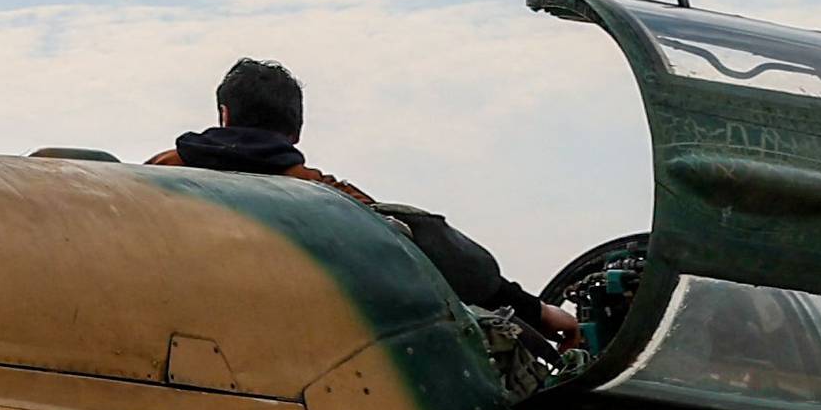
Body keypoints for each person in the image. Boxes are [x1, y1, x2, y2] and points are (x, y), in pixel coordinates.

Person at [153, 58, 576, 342]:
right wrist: (535, 312)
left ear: (223, 115)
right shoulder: (328, 197)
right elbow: (427, 247)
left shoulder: (156, 175)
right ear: (296, 131)